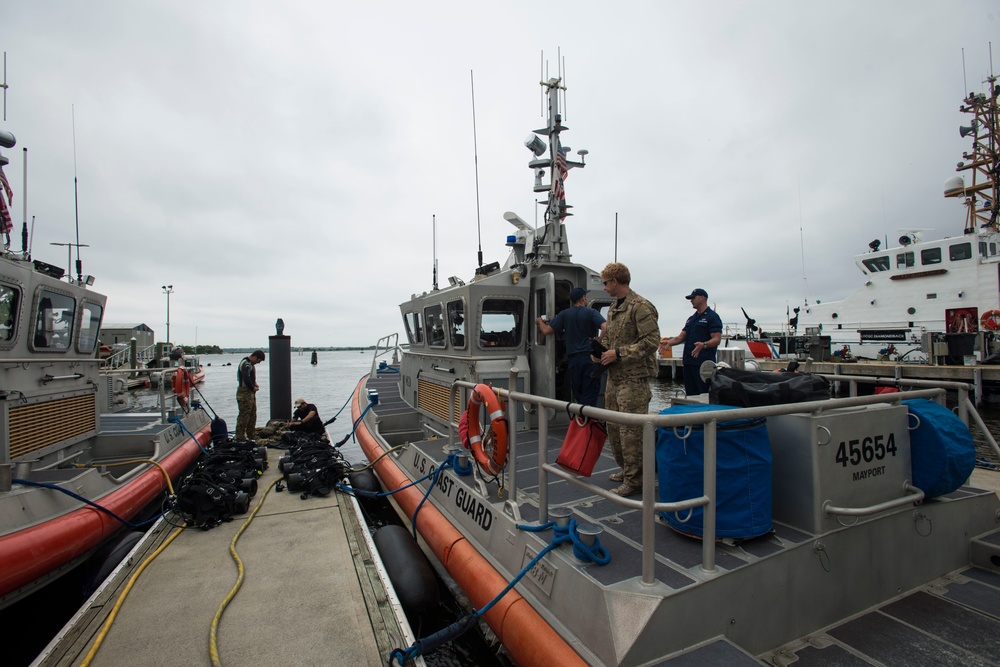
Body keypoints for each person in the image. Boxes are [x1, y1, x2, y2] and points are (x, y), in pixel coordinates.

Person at [595, 263, 660, 496]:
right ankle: (627, 470)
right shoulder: (614, 308)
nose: (604, 288)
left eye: (605, 283)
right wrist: (600, 352)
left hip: (634, 380)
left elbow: (652, 342)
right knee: (614, 427)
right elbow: (609, 339)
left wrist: (619, 353)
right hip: (615, 377)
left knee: (631, 431)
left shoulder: (640, 307)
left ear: (615, 281)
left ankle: (636, 480)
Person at [536, 286, 607, 406]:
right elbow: (605, 327)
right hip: (589, 359)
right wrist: (598, 340)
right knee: (590, 394)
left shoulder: (564, 315)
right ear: (583, 298)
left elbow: (546, 331)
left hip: (574, 360)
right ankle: (588, 422)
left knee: (578, 394)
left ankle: (581, 421)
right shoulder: (591, 312)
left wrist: (539, 321)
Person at [663, 288, 723, 396]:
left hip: (703, 365)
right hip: (689, 363)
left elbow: (717, 339)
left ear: (702, 298)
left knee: (704, 394)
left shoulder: (712, 317)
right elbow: (681, 337)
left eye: (693, 298)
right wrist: (668, 343)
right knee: (691, 395)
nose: (691, 300)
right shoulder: (691, 319)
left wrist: (704, 345)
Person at [235, 349, 265, 440]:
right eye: (258, 361)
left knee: (252, 414)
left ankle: (251, 434)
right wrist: (252, 387)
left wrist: (254, 383)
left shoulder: (250, 364)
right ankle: (240, 436)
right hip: (244, 393)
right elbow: (245, 377)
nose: (258, 363)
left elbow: (250, 378)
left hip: (250, 393)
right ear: (255, 357)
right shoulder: (246, 364)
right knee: (244, 415)